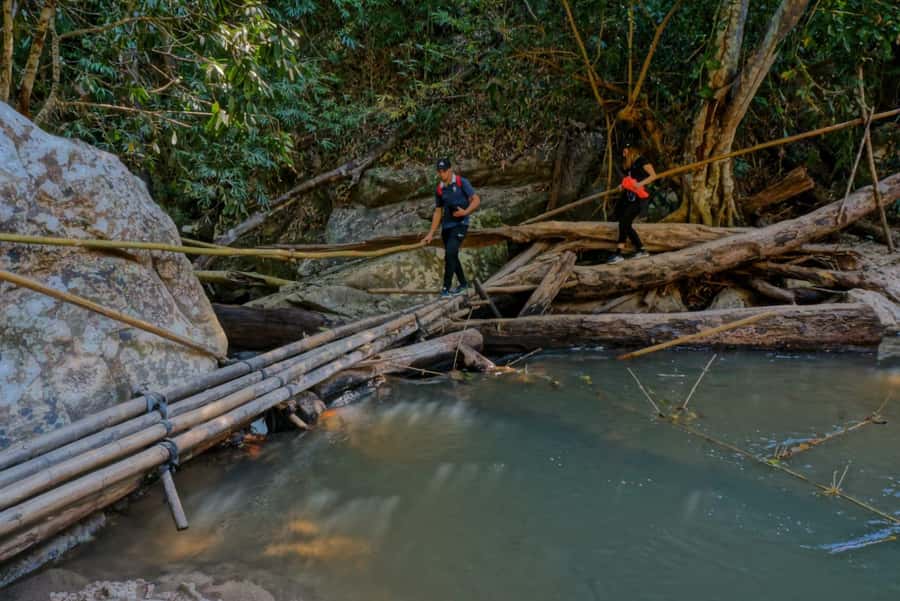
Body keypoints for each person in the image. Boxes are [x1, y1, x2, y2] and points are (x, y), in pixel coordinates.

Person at [422, 158, 481, 296]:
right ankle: (463, 284)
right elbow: (438, 212)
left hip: (460, 224)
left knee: (450, 254)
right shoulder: (440, 189)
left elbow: (476, 200)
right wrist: (431, 233)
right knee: (452, 255)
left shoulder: (462, 182)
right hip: (446, 227)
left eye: (444, 171)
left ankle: (445, 289)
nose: (442, 174)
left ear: (450, 170)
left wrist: (465, 212)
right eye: (439, 172)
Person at [607, 143, 656, 264]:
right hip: (629, 198)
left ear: (630, 150)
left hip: (640, 198)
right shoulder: (630, 165)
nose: (623, 154)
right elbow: (630, 180)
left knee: (624, 222)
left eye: (624, 151)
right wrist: (622, 185)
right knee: (625, 224)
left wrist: (640, 184)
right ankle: (641, 249)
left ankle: (619, 253)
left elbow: (653, 176)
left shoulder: (642, 160)